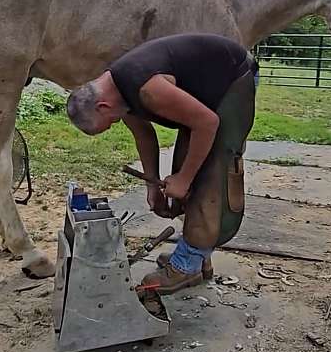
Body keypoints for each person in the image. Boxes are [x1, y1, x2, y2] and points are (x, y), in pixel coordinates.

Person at [66, 32, 259, 294]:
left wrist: (185, 179)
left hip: (234, 81)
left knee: (209, 177)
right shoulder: (117, 95)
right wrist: (153, 186)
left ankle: (187, 264)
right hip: (207, 97)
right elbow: (144, 135)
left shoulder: (148, 89)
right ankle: (197, 256)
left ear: (101, 106)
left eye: (108, 124)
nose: (114, 125)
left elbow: (208, 123)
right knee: (186, 165)